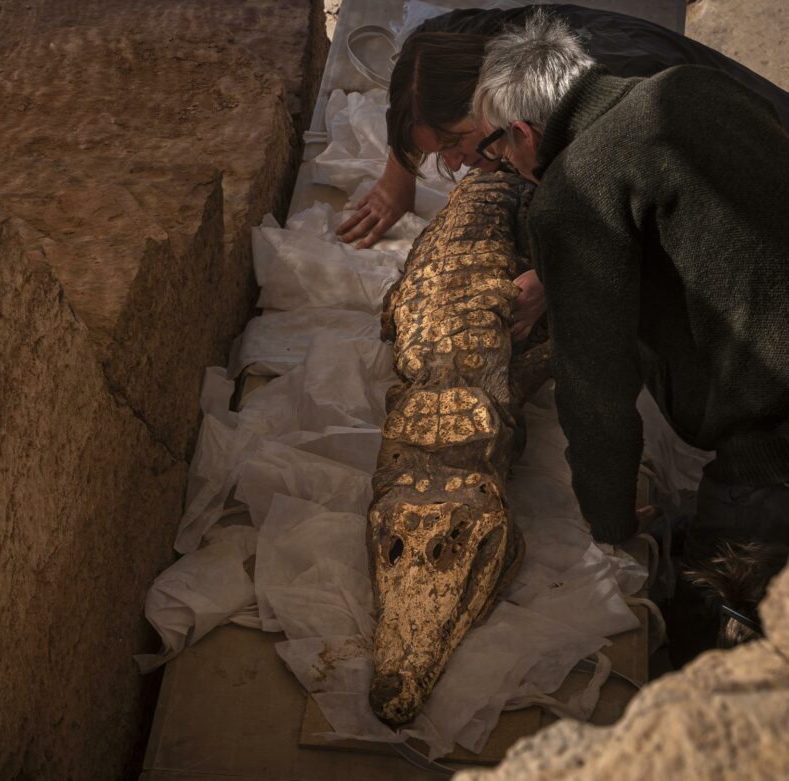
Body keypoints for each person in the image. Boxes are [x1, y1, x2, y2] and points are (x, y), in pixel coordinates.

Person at [469, 11, 789, 658]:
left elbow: (597, 392)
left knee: (711, 634)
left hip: (775, 439)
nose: (500, 163)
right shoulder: (691, 87)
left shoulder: (574, 191)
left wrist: (609, 516)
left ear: (526, 133)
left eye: (495, 148)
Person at [336, 4, 789, 340]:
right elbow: (415, 68)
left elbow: (673, 220)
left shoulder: (608, 107)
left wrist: (559, 278)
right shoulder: (461, 48)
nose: (452, 165)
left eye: (454, 143)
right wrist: (400, 173)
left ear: (504, 116)